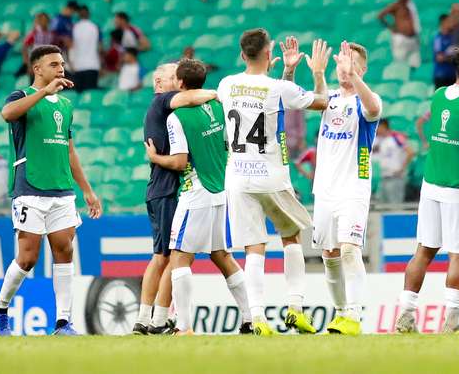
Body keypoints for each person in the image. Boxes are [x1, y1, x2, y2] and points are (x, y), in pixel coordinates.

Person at [216, 31, 330, 335]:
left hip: (237, 176)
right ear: (269, 54)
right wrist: (316, 74)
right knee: (291, 236)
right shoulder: (277, 87)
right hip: (272, 175)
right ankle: (294, 308)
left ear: (242, 55)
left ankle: (257, 318)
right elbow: (321, 102)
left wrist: (288, 72)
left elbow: (262, 99)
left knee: (254, 247)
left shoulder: (226, 85)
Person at [0, 45, 102, 336]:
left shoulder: (65, 105)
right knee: (27, 258)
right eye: (54, 64)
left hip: (62, 189)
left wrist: (87, 190)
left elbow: (70, 149)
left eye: (62, 63)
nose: (60, 68)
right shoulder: (22, 96)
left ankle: (64, 322)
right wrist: (43, 92)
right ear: (37, 69)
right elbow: (6, 113)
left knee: (65, 251)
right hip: (30, 188)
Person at [143, 59, 252, 335]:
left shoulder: (176, 117)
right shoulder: (217, 106)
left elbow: (180, 161)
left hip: (196, 191)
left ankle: (183, 326)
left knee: (178, 257)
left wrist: (155, 157)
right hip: (220, 190)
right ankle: (251, 318)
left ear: (180, 84)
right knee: (221, 255)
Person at [395, 46, 459, 333]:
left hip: (431, 186)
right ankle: (451, 322)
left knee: (423, 252)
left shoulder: (438, 96)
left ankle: (405, 314)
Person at [133, 63, 219, 335]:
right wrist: (218, 93)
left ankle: (150, 319)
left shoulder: (162, 109)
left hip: (161, 190)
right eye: (174, 77)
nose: (180, 81)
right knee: (169, 257)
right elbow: (192, 96)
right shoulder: (163, 101)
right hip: (168, 190)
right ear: (160, 83)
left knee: (165, 256)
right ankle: (153, 319)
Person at [312, 41, 382, 335]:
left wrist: (354, 78)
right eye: (341, 62)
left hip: (353, 188)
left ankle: (353, 314)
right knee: (330, 254)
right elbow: (311, 100)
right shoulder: (329, 99)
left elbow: (374, 108)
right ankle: (340, 313)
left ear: (362, 69)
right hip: (324, 190)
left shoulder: (367, 99)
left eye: (350, 62)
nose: (343, 67)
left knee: (350, 250)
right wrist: (318, 73)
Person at [378, 0, 422, 68]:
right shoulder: (396, 5)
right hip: (401, 38)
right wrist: (390, 27)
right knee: (400, 63)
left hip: (413, 38)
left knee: (415, 64)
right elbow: (380, 15)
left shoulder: (411, 5)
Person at [373, 119, 413, 204]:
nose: (376, 130)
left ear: (383, 127)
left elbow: (410, 152)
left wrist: (402, 169)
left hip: (395, 177)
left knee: (395, 206)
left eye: (377, 127)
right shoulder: (380, 140)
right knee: (382, 207)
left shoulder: (397, 137)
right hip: (383, 177)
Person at [69, 5, 101, 93]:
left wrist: (70, 63)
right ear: (89, 14)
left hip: (78, 66)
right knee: (91, 96)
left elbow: (70, 46)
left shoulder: (74, 27)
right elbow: (100, 47)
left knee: (80, 98)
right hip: (93, 65)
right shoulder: (95, 27)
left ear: (79, 15)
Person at [433, 14, 458, 88]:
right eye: (449, 21)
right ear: (443, 23)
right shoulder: (438, 38)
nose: (452, 23)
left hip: (453, 76)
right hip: (441, 76)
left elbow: (458, 52)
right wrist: (451, 57)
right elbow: (439, 58)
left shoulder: (453, 38)